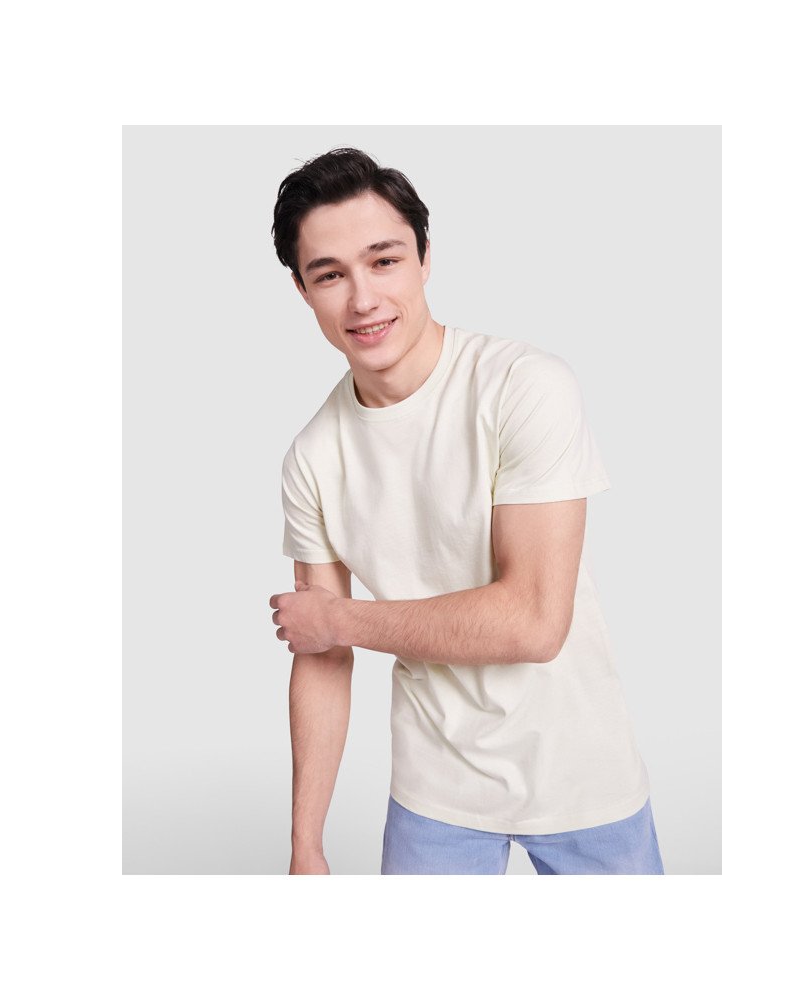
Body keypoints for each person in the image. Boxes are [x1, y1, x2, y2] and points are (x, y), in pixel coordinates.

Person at [268, 147, 664, 875]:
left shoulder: (524, 387)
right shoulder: (313, 458)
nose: (363, 299)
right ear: (303, 289)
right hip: (435, 795)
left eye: (384, 261)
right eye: (330, 275)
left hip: (582, 774)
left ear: (424, 259)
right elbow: (321, 659)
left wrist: (340, 620)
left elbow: (534, 621)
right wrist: (305, 844)